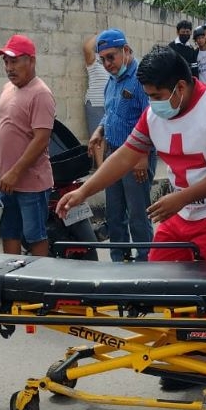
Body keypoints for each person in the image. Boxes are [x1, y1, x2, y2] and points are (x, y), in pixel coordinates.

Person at [56, 46, 206, 264]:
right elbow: (125, 156)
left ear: (180, 87)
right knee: (158, 276)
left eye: (156, 96)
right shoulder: (153, 115)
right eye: (148, 96)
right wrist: (83, 192)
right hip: (184, 209)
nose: (152, 103)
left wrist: (182, 198)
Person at [86, 28, 154, 262]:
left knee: (138, 214)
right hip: (113, 153)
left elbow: (151, 118)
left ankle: (145, 261)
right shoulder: (112, 82)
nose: (106, 64)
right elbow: (111, 112)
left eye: (111, 57)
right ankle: (119, 260)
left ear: (126, 51)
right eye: (102, 59)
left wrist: (142, 156)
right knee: (114, 213)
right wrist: (99, 130)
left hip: (136, 157)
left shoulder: (140, 80)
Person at [0, 34, 55, 257]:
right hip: (6, 181)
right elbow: (1, 132)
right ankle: (13, 285)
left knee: (35, 236)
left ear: (31, 61)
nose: (9, 67)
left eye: (14, 61)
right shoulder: (7, 89)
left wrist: (15, 173)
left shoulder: (41, 93)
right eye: (6, 62)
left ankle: (38, 284)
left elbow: (41, 139)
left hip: (31, 184)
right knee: (9, 233)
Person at [81, 33, 110, 143]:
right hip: (95, 104)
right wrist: (102, 34)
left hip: (110, 104)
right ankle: (99, 161)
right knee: (97, 140)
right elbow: (87, 47)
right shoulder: (94, 59)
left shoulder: (111, 61)